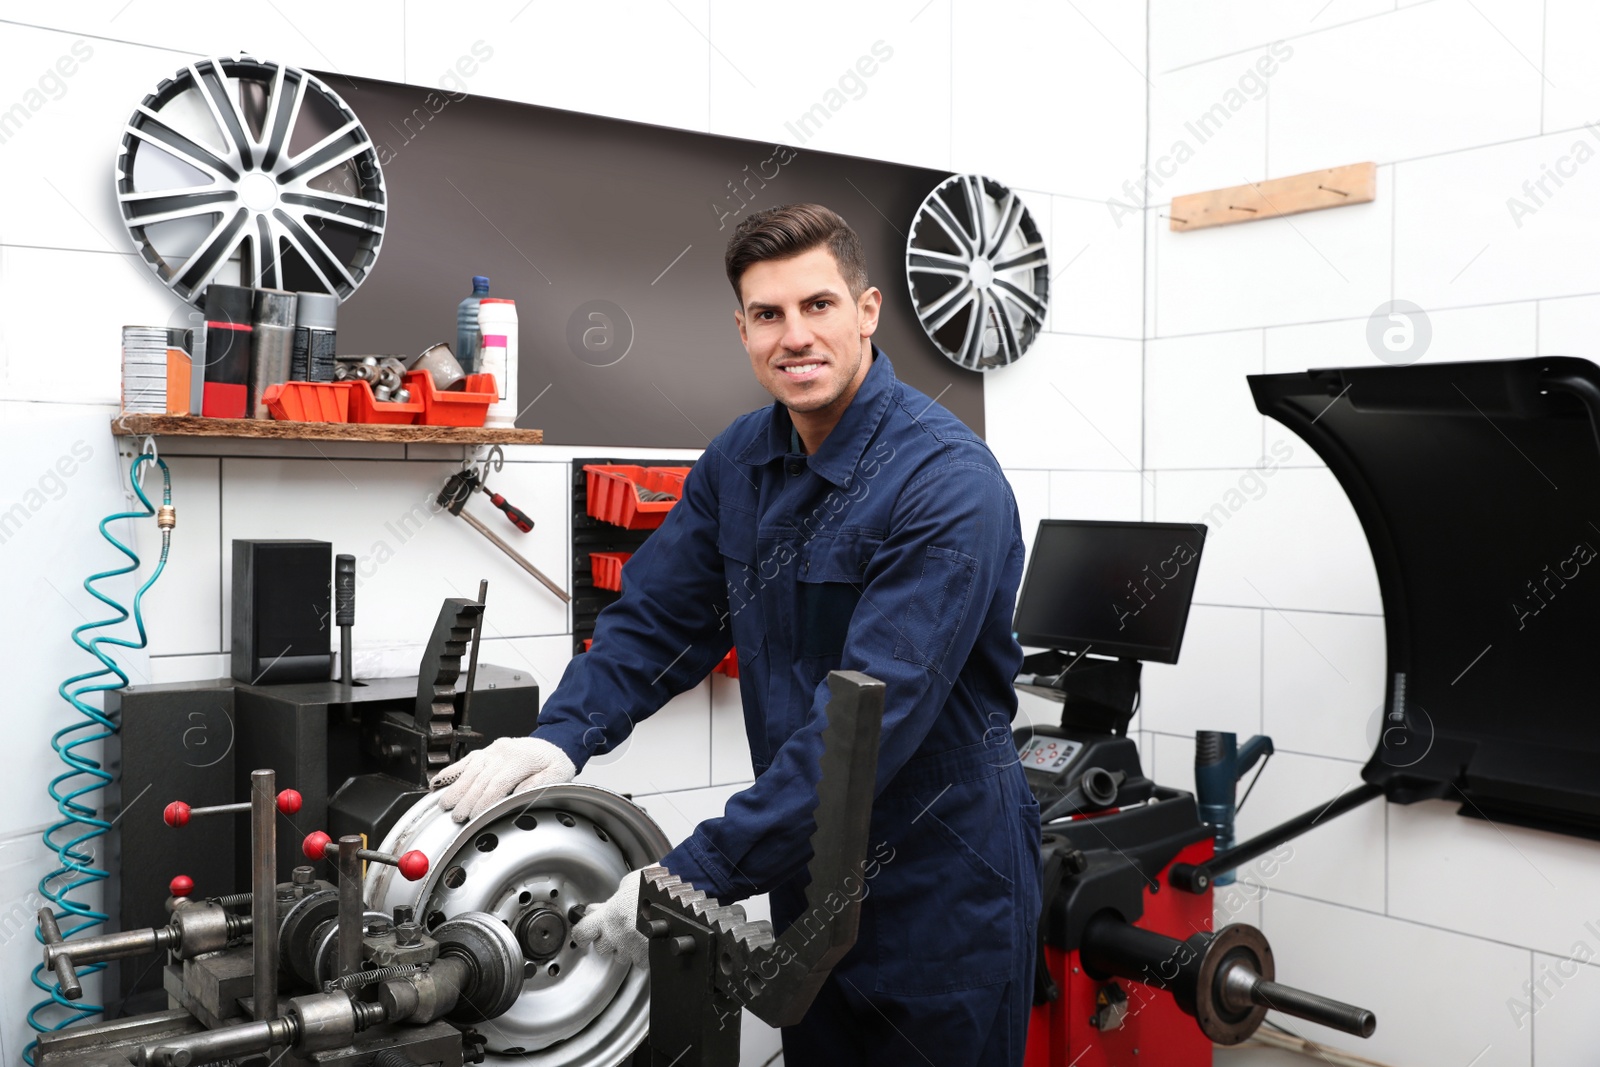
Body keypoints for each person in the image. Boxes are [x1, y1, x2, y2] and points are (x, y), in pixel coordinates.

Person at [431, 203, 1041, 1066]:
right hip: (811, 873)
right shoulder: (740, 462)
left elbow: (864, 731)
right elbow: (655, 622)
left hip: (943, 885)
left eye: (818, 306)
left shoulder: (946, 483)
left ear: (867, 311)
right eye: (769, 314)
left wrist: (692, 873)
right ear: (743, 330)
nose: (796, 335)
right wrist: (560, 737)